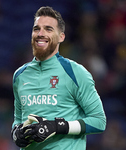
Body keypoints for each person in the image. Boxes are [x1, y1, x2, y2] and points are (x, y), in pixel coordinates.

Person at [11, 6, 106, 150]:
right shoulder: (19, 76)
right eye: (36, 29)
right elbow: (18, 119)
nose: (40, 33)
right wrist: (16, 132)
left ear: (61, 37)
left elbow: (99, 121)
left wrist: (57, 127)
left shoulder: (75, 72)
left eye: (48, 29)